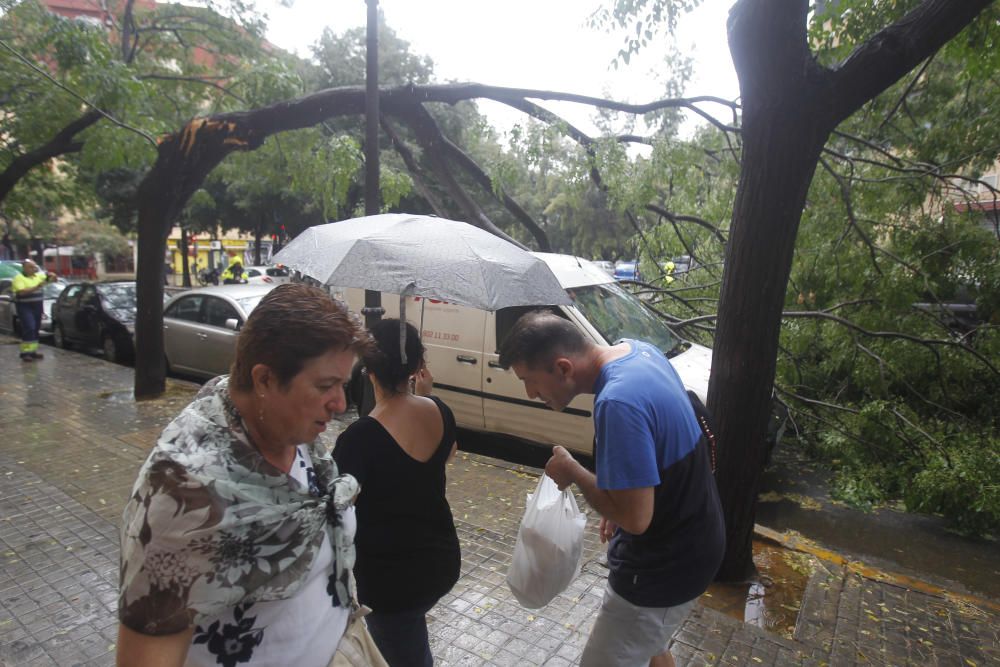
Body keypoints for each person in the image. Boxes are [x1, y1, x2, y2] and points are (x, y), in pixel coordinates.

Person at [116, 283, 370, 667]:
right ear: (265, 379)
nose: (340, 404)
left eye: (343, 384)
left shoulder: (287, 427)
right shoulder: (181, 494)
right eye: (325, 386)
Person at [498, 311, 724, 667]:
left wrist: (574, 471)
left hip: (662, 568)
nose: (530, 394)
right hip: (697, 541)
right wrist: (616, 500)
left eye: (530, 380)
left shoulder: (617, 402)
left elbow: (636, 519)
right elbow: (655, 446)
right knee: (652, 645)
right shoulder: (638, 352)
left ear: (562, 368)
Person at [333, 319, 460, 667]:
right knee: (408, 637)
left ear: (367, 368)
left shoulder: (359, 438)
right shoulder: (440, 410)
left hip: (391, 581)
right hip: (441, 560)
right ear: (419, 366)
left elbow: (334, 510)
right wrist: (425, 396)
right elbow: (447, 453)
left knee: (402, 652)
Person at [11, 258, 56, 362]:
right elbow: (22, 292)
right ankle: (25, 353)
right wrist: (37, 286)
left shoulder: (39, 276)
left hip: (37, 305)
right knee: (29, 327)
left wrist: (52, 275)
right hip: (25, 306)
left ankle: (33, 351)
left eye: (34, 266)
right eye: (30, 267)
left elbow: (52, 279)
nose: (33, 269)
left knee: (35, 328)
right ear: (24, 268)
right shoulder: (19, 278)